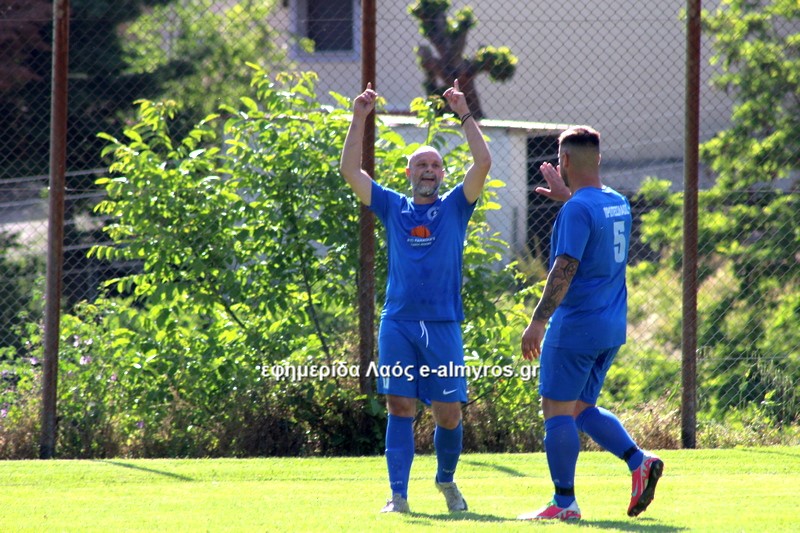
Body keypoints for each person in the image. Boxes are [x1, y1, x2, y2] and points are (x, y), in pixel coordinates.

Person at [339, 80, 491, 514]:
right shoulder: (392, 206)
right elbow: (350, 171)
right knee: (399, 405)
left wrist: (464, 113)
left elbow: (483, 162)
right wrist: (359, 117)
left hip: (443, 323)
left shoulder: (456, 205)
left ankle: (446, 480)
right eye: (421, 164)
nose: (428, 170)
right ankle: (398, 496)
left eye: (435, 165)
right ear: (408, 173)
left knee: (449, 414)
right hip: (399, 323)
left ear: (442, 175)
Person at [517, 126, 663, 522]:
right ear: (597, 158)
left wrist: (538, 320)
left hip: (576, 326)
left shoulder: (577, 210)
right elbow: (594, 226)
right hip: (610, 326)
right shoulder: (617, 202)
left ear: (563, 160)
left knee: (557, 410)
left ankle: (564, 502)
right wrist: (570, 199)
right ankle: (639, 461)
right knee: (582, 408)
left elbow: (564, 268)